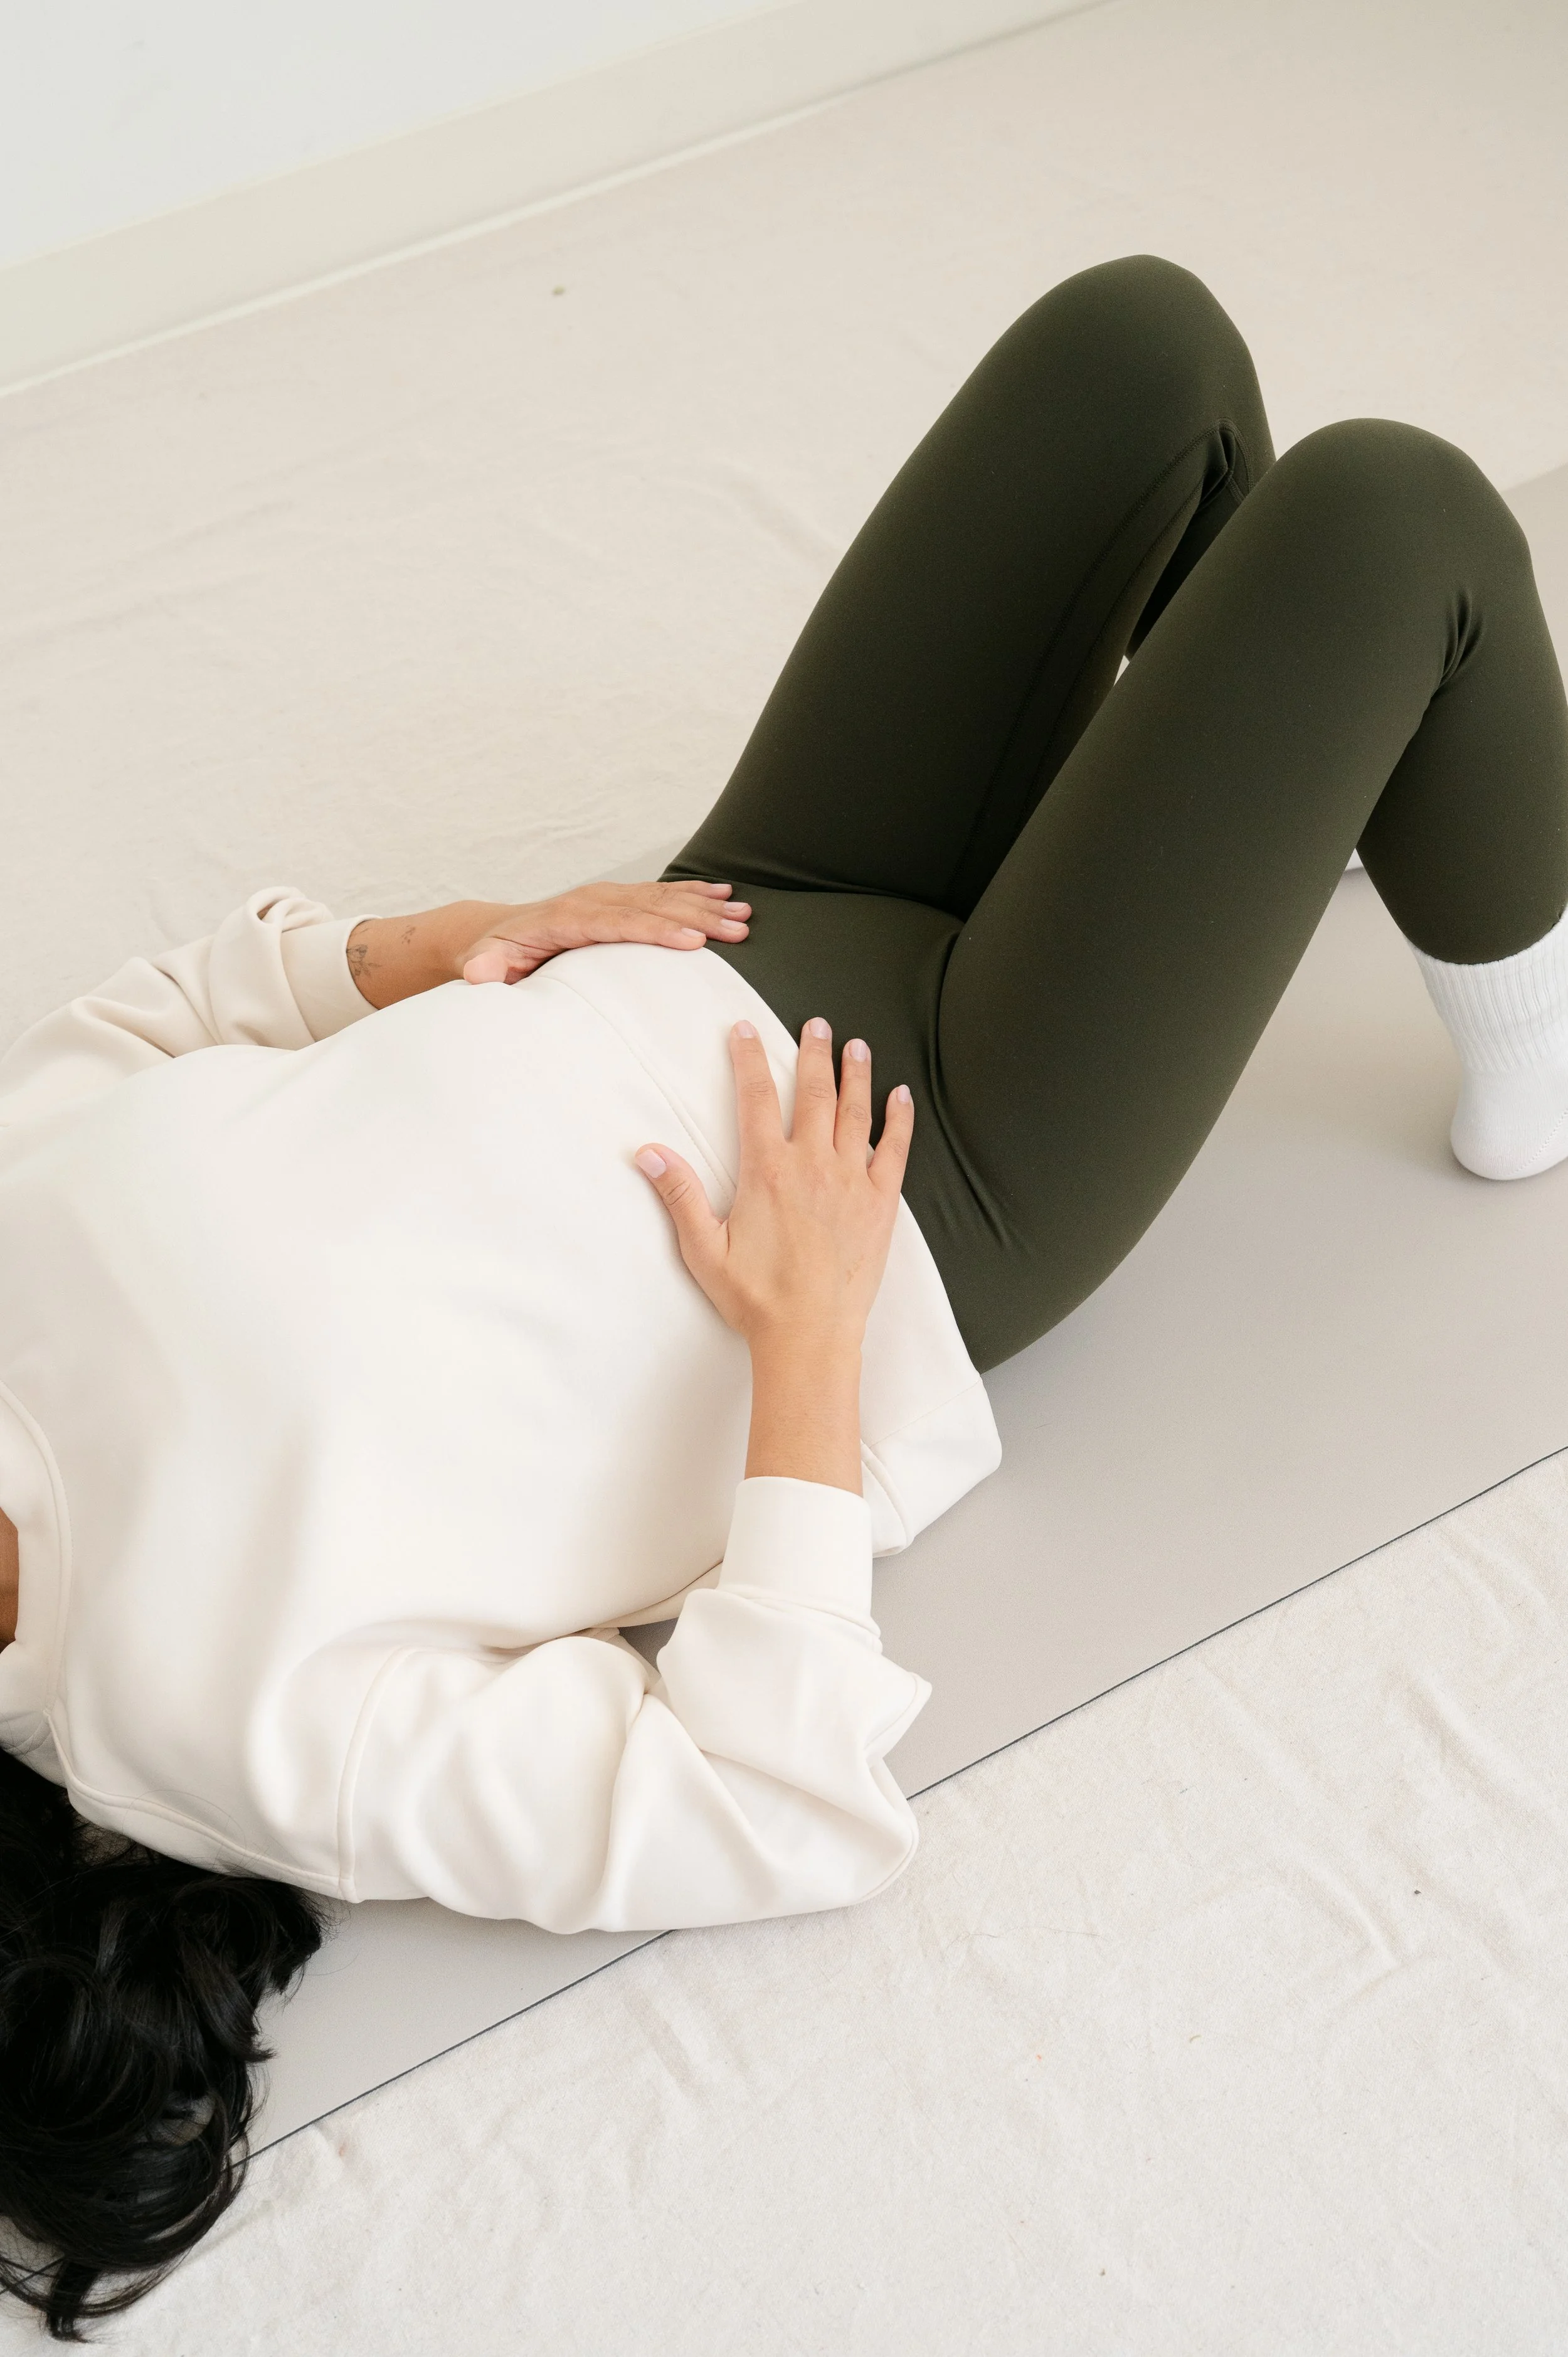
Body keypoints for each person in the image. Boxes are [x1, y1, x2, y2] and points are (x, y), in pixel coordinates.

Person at [3, 253, 1565, 2334]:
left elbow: (150, 1020)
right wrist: (811, 1339)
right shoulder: (204, 1720)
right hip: (942, 1173)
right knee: (1397, 517)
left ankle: (1300, 778)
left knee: (1143, 354)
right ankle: (1532, 1021)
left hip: (731, 909)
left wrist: (460, 934)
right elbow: (761, 1804)